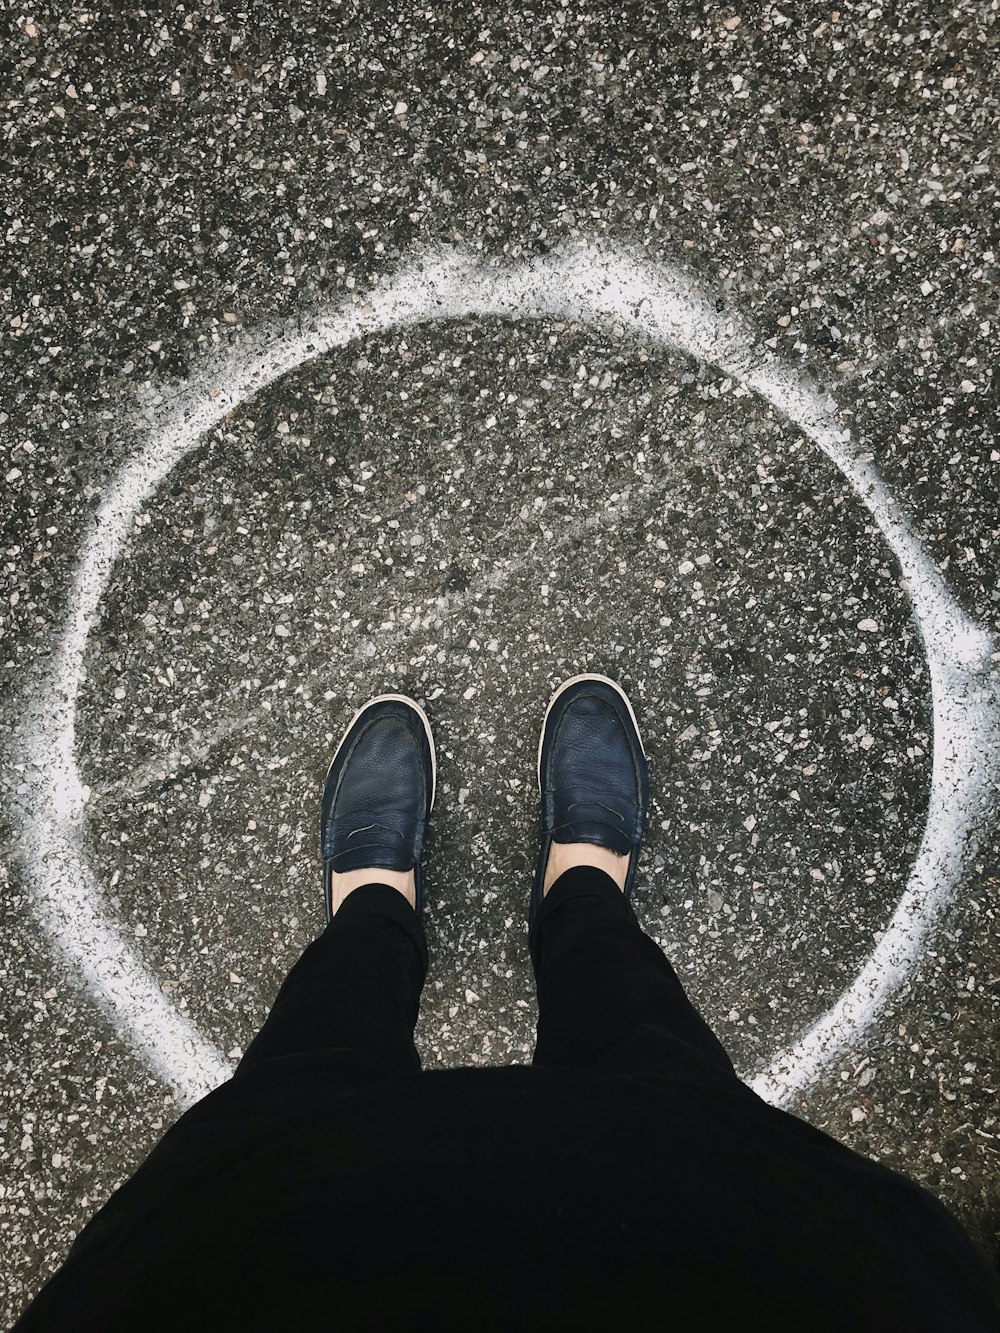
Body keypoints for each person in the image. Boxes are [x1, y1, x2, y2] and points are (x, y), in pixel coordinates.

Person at [13, 674, 1000, 1330]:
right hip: (744, 1267)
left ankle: (373, 908)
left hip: (257, 1269)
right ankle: (580, 884)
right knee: (643, 1053)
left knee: (310, 1070)